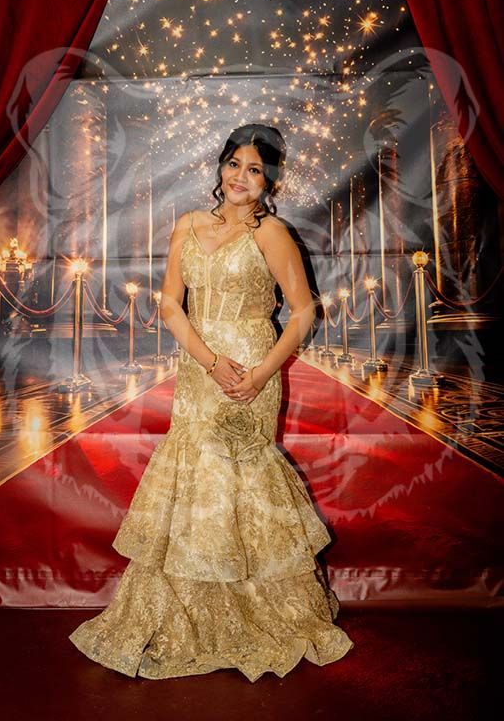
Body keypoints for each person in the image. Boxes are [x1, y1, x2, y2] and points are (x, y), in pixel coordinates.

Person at [69, 123, 354, 682]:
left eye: (255, 170)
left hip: (253, 366)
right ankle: (188, 615)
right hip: (202, 370)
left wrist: (258, 374)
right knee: (194, 477)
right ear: (220, 168)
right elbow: (172, 304)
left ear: (269, 180)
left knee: (241, 481)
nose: (241, 178)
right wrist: (208, 361)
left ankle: (256, 613)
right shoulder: (189, 224)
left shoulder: (270, 233)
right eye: (234, 165)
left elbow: (302, 313)